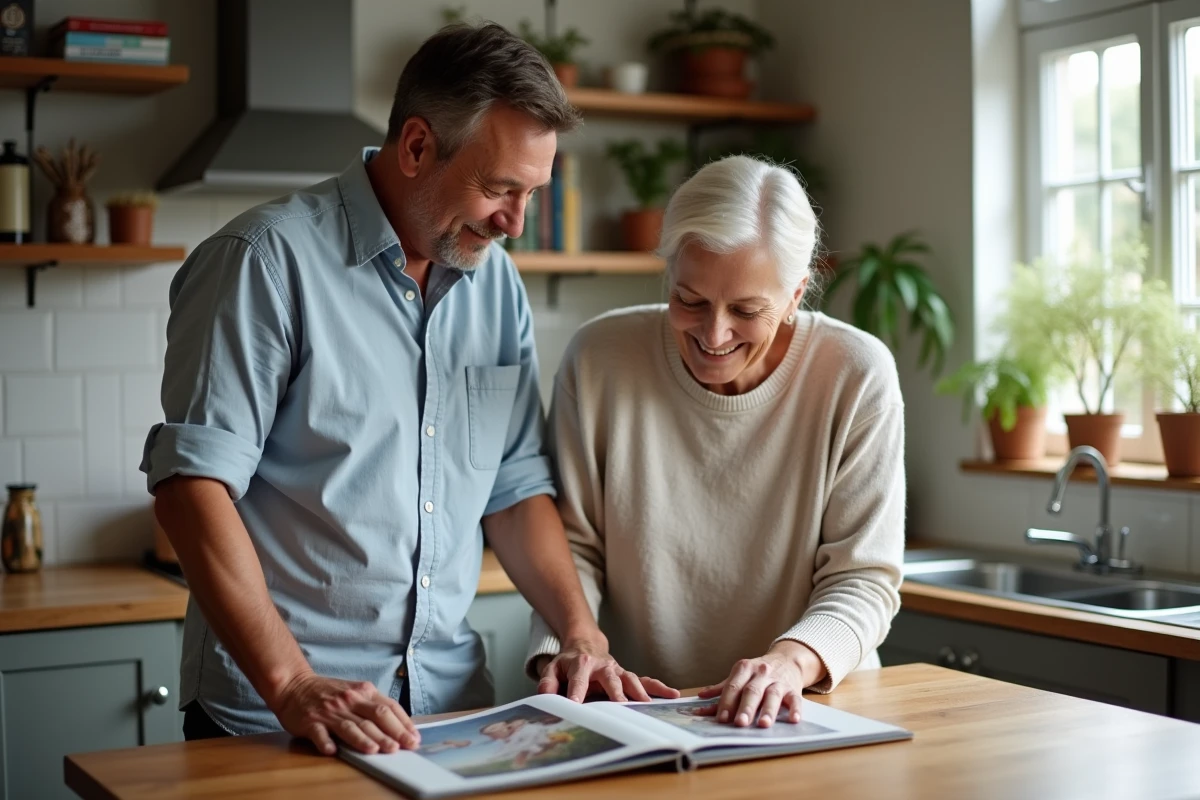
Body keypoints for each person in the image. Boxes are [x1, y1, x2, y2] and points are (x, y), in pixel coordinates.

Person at [141, 22, 664, 758]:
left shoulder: (495, 286)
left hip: (450, 715)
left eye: (530, 193)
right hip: (279, 717)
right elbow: (192, 488)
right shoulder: (263, 262)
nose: (515, 222)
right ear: (417, 146)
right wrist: (292, 683)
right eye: (500, 189)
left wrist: (581, 631)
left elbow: (513, 489)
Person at [527, 155, 905, 729]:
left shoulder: (856, 374)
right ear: (668, 275)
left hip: (806, 709)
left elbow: (863, 577)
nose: (713, 333)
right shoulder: (599, 358)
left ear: (796, 293)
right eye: (690, 300)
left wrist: (790, 662)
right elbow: (571, 545)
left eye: (748, 310)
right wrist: (574, 649)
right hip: (635, 710)